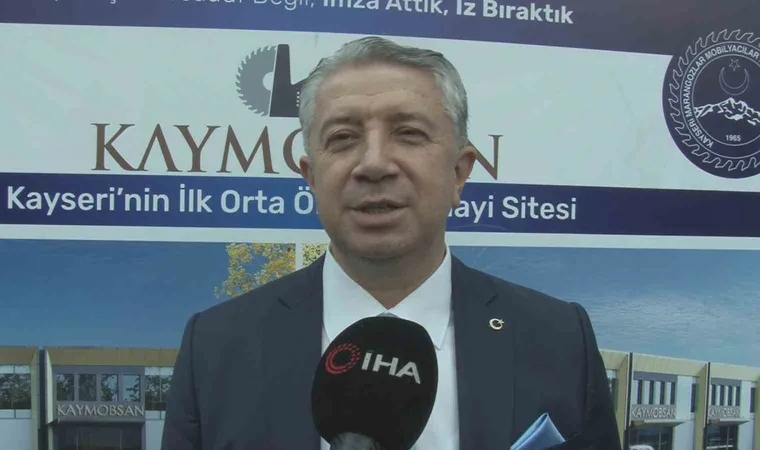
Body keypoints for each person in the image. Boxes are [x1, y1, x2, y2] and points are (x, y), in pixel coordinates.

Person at [161, 36, 621, 450]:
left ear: (459, 173)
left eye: (408, 133)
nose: (374, 164)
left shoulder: (560, 340)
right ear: (311, 177)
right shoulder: (215, 348)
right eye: (343, 138)